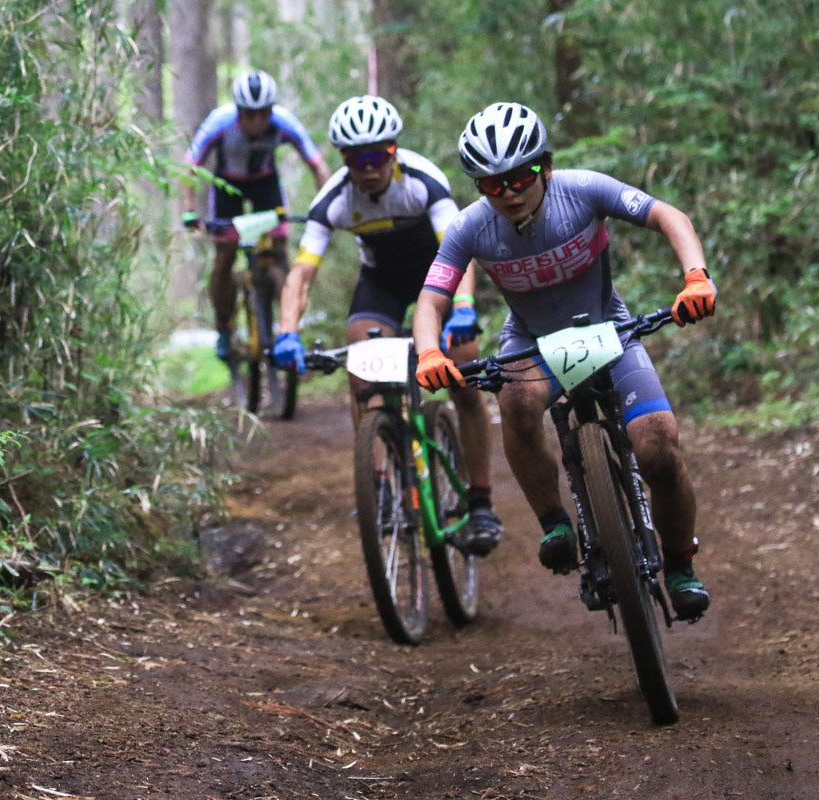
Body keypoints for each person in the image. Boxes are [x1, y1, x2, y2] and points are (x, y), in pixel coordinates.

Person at [411, 101, 716, 621]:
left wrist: (695, 275)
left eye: (520, 176)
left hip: (610, 328)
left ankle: (681, 564)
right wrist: (430, 351)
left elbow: (668, 216)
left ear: (544, 167)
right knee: (517, 401)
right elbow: (431, 298)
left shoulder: (583, 189)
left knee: (659, 448)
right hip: (531, 341)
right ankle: (554, 521)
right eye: (491, 185)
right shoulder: (470, 228)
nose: (508, 192)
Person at [273, 95, 504, 551]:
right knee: (362, 363)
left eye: (378, 155)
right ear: (344, 160)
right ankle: (378, 477)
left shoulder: (423, 181)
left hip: (438, 277)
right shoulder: (334, 199)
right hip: (380, 284)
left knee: (465, 377)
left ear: (394, 151)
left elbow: (458, 249)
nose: (369, 167)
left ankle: (480, 501)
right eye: (357, 159)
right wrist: (286, 333)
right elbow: (301, 274)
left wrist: (461, 307)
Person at [181, 69, 333, 360]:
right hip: (228, 187)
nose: (257, 121)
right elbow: (189, 168)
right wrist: (189, 213)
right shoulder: (220, 122)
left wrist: (325, 209)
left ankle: (290, 328)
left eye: (263, 113)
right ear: (238, 111)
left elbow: (317, 165)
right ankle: (224, 327)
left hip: (265, 185)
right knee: (225, 254)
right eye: (249, 114)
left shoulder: (283, 122)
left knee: (280, 254)